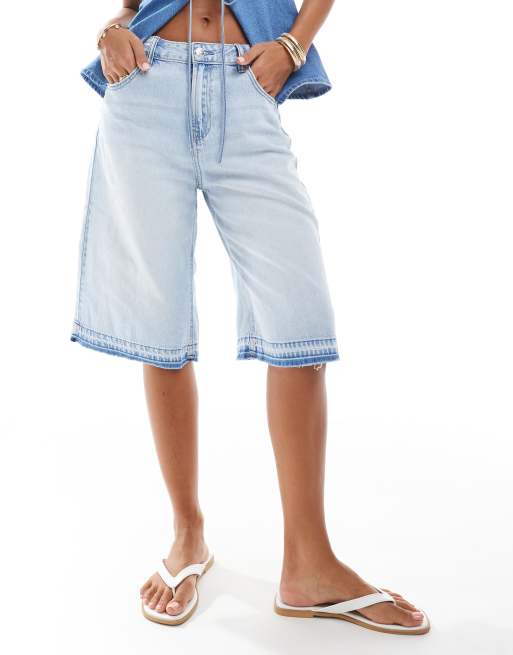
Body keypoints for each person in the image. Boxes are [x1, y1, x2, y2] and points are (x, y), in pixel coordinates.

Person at [70, 0, 430, 634]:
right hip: (145, 88)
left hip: (246, 83)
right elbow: (129, 6)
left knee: (300, 322)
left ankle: (309, 564)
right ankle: (187, 534)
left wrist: (293, 45)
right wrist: (112, 27)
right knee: (161, 327)